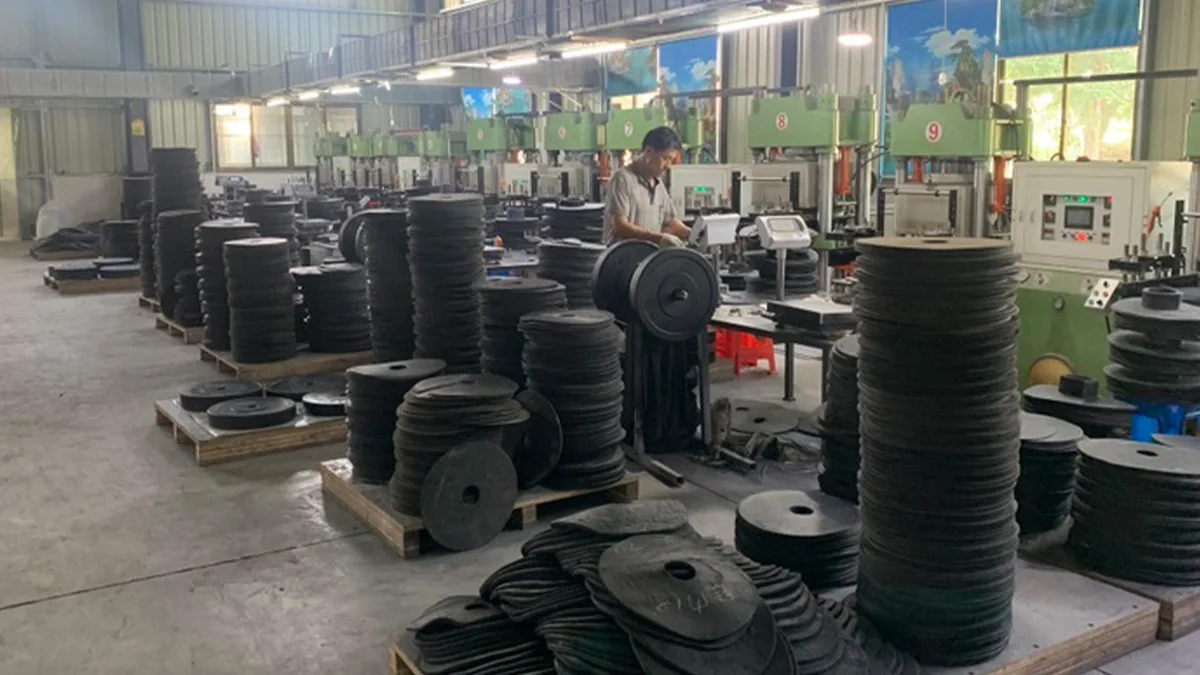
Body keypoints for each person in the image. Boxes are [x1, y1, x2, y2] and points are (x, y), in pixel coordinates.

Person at [602, 126, 692, 247]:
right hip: (624, 256)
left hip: (649, 256)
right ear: (648, 152)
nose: (668, 165)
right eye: (665, 158)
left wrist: (692, 234)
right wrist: (658, 238)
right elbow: (620, 226)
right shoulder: (623, 179)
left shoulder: (658, 184)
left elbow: (670, 222)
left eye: (671, 160)